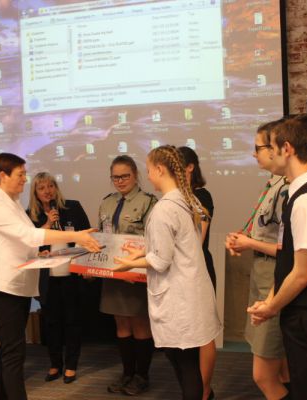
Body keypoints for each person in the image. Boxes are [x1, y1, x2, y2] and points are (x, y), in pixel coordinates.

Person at [0, 153, 101, 400]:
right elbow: (30, 236)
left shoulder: (11, 203)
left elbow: (24, 243)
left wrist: (43, 254)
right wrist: (77, 236)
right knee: (14, 353)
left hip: (15, 286)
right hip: (0, 287)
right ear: (3, 176)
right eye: (20, 174)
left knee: (8, 350)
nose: (25, 179)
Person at [248, 114, 307, 400]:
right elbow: (288, 262)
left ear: (287, 148)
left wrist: (271, 307)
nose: (268, 154)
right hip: (302, 319)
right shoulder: (296, 194)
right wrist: (270, 300)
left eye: (271, 147)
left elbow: (303, 273)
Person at [114, 145, 222, 400]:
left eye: (149, 169)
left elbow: (161, 260)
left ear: (160, 170)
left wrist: (130, 264)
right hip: (191, 293)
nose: (148, 175)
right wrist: (141, 252)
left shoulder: (165, 209)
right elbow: (176, 245)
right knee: (183, 360)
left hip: (180, 298)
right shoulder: (187, 200)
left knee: (186, 365)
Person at [225, 120, 290, 400]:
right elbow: (267, 230)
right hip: (262, 280)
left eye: (259, 147)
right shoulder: (273, 183)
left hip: (275, 285)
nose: (255, 154)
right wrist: (243, 239)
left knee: (263, 376)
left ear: (277, 148)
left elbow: (290, 250)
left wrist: (250, 243)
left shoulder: (289, 189)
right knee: (282, 372)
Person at [98, 155, 157, 396]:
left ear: (135, 175)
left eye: (125, 176)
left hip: (136, 273)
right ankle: (127, 373)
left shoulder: (149, 202)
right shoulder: (107, 202)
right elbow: (101, 238)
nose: (120, 181)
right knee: (121, 324)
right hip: (113, 273)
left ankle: (142, 376)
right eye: (115, 177)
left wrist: (137, 269)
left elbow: (154, 240)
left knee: (140, 324)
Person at [26, 172, 90, 384]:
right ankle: (55, 364)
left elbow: (87, 237)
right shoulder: (30, 216)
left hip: (71, 275)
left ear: (56, 188)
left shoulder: (72, 207)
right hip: (47, 279)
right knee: (51, 323)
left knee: (72, 321)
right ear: (35, 193)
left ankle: (71, 365)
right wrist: (42, 239)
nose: (47, 191)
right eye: (41, 188)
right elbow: (27, 245)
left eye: (50, 186)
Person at [178, 146, 216, 400]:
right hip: (180, 273)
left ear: (190, 167)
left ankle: (204, 391)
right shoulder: (173, 198)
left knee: (204, 333)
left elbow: (197, 241)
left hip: (198, 269)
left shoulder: (201, 196)